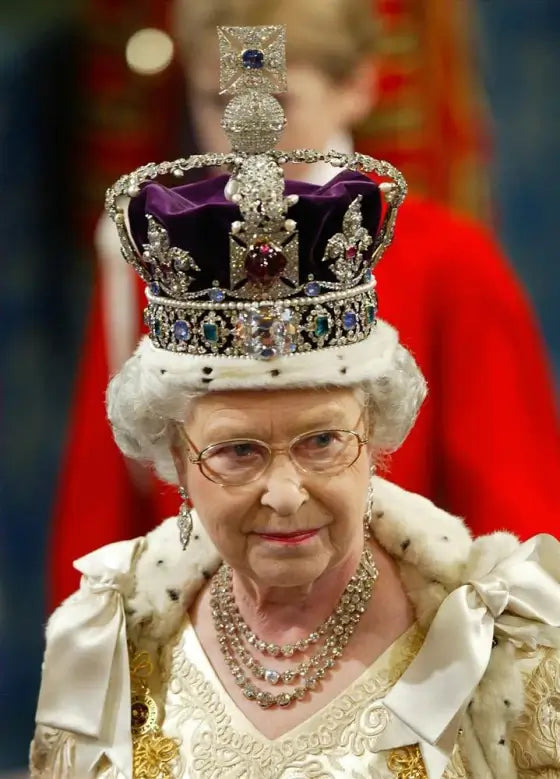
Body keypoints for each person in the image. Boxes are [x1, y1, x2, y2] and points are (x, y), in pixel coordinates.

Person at [32, 25, 560, 779]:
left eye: (321, 441)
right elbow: (97, 492)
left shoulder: (486, 645)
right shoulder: (106, 646)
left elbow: (515, 486)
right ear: (177, 453)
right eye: (236, 449)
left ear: (375, 433)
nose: (284, 492)